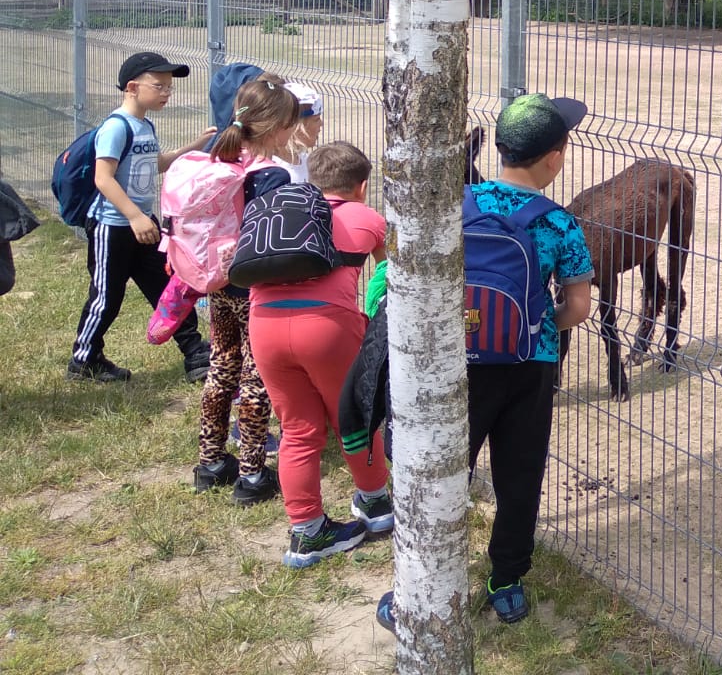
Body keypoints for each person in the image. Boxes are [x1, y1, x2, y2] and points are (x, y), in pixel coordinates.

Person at [374, 93, 594, 630]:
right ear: (556, 157)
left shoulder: (455, 204)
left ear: (499, 149)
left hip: (454, 364)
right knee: (519, 472)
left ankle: (417, 579)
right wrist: (537, 327)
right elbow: (579, 307)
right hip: (529, 365)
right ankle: (506, 580)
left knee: (442, 469)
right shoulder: (561, 225)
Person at [251, 140, 393, 567]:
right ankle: (375, 504)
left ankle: (307, 533)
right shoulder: (368, 218)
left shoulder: (276, 210)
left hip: (265, 327)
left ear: (311, 180)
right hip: (328, 327)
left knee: (296, 429)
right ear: (362, 186)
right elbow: (390, 272)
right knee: (353, 417)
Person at [69, 51, 215, 384]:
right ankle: (84, 358)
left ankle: (194, 354)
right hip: (113, 227)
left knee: (167, 289)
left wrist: (194, 146)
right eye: (159, 86)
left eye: (169, 87)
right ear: (133, 87)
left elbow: (157, 163)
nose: (167, 93)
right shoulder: (116, 127)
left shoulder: (144, 125)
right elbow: (103, 178)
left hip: (143, 226)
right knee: (107, 296)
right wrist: (135, 217)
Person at [192, 75, 299, 504]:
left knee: (222, 366)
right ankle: (253, 474)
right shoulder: (271, 173)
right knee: (255, 377)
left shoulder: (220, 158)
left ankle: (211, 461)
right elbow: (270, 237)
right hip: (252, 288)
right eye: (291, 123)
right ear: (276, 127)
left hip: (217, 283)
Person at [273, 82, 324, 183]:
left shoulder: (306, 161)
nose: (321, 124)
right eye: (316, 119)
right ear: (296, 125)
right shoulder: (274, 169)